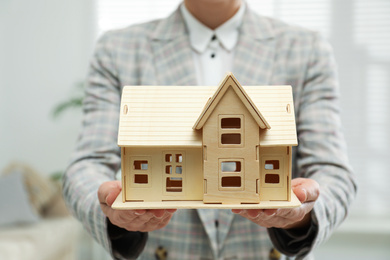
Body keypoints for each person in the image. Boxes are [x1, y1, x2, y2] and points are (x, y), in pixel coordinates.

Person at [63, 0, 357, 259]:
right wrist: (112, 215)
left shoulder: (307, 49)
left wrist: (302, 216)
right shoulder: (117, 50)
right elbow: (87, 165)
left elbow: (333, 172)